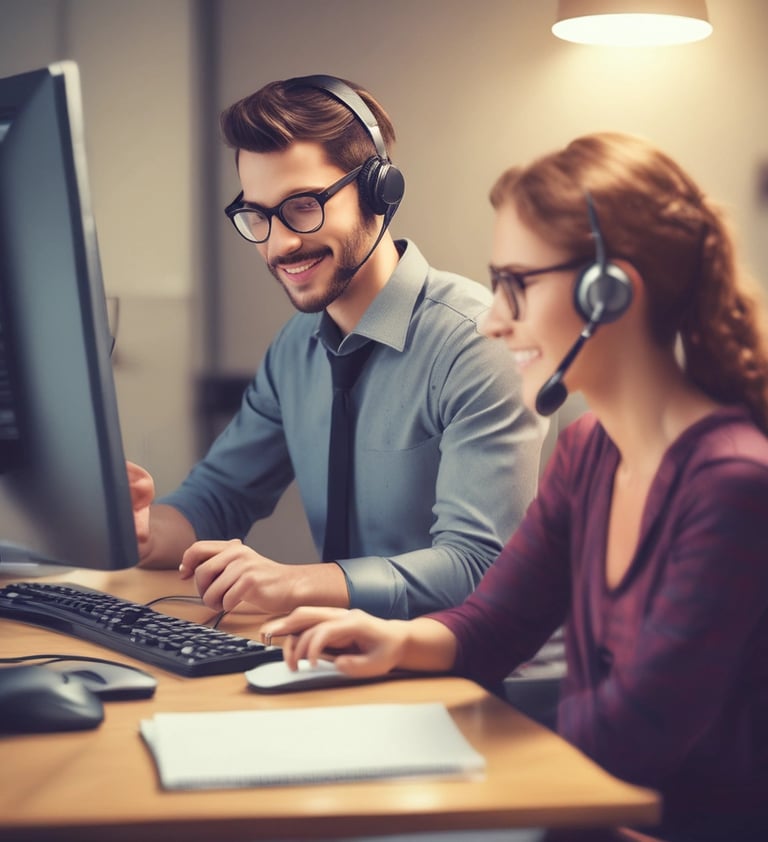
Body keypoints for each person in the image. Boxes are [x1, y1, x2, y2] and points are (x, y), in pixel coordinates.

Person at [260, 132, 768, 842]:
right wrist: (397, 640)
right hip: (587, 809)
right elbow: (497, 623)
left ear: (609, 291)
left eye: (517, 285)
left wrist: (445, 771)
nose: (495, 319)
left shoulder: (734, 484)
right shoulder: (591, 451)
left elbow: (642, 729)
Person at [129, 74, 543, 621]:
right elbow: (218, 499)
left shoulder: (478, 344)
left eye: (302, 206)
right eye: (257, 215)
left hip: (478, 678)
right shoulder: (296, 349)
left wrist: (295, 583)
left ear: (379, 190)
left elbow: (479, 567)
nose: (280, 244)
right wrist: (139, 529)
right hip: (346, 661)